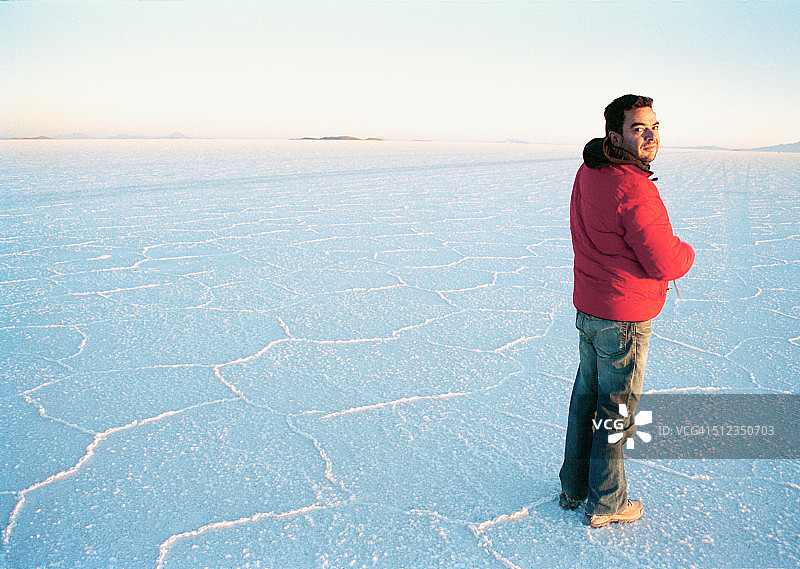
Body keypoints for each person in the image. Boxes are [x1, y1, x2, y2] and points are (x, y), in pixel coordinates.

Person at [558, 94, 695, 527]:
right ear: (615, 135)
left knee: (586, 400)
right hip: (624, 317)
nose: (651, 135)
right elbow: (665, 261)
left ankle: (574, 487)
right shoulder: (633, 186)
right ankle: (608, 502)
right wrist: (688, 253)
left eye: (655, 126)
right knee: (614, 410)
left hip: (591, 311)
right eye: (639, 128)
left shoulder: (589, 171)